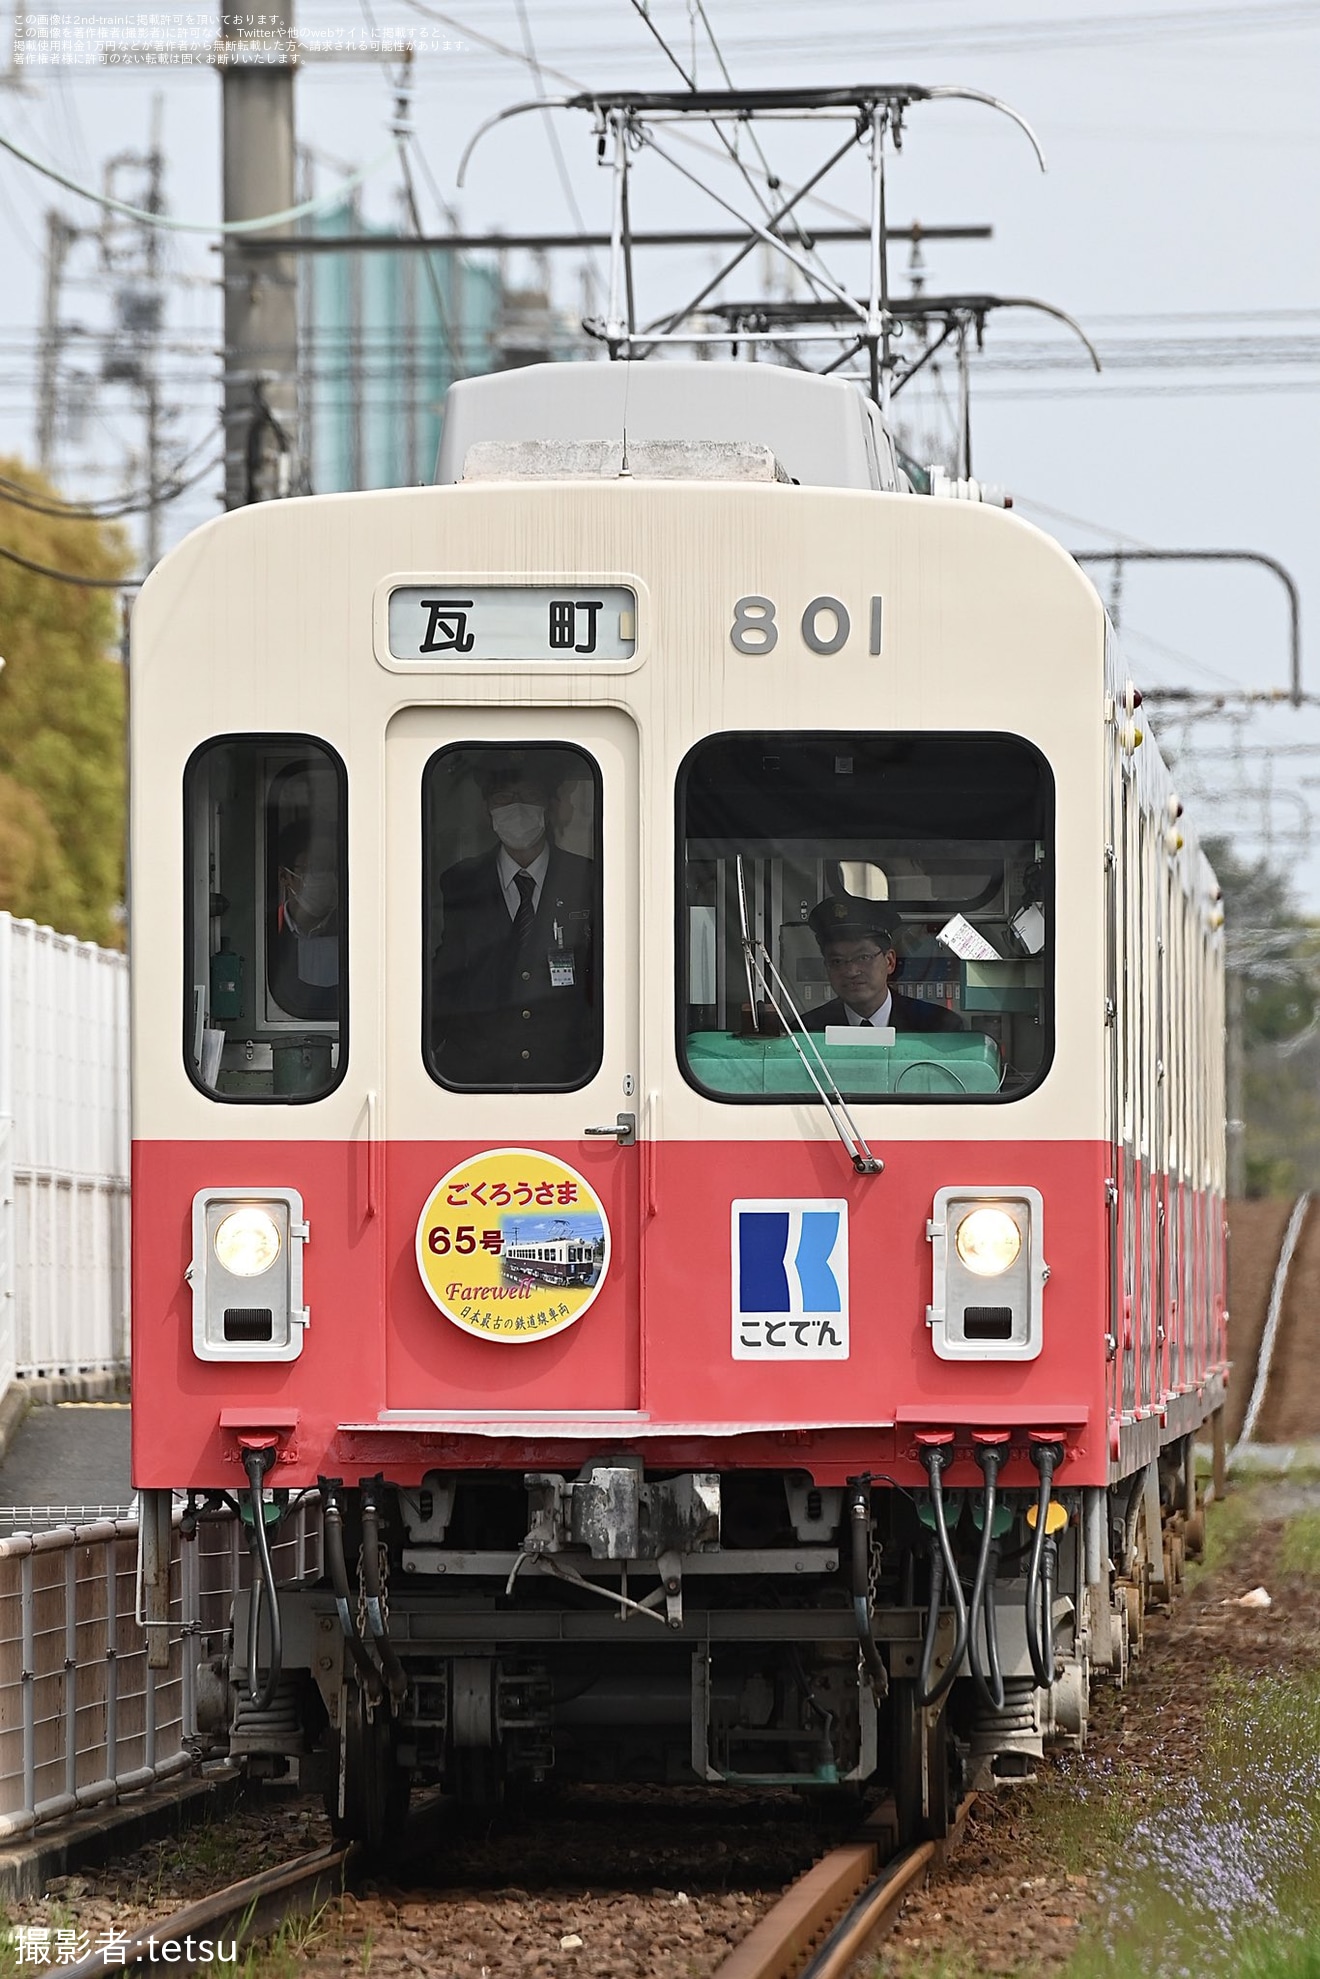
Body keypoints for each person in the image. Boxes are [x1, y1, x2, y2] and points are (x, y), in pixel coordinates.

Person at [431, 754, 595, 1086]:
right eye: (504, 799)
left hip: (567, 1074)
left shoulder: (587, 877)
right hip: (473, 1075)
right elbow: (448, 969)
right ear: (486, 810)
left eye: (529, 797)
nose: (516, 808)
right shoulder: (461, 880)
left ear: (547, 807)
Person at [803, 895, 962, 1033]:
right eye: (837, 961)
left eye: (863, 957)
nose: (851, 971)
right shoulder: (806, 1031)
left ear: (890, 961)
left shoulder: (937, 1027)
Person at [269, 827, 340, 1022]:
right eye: (315, 868)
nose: (328, 878)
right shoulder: (266, 932)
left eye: (333, 868)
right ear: (284, 876)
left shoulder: (356, 931)